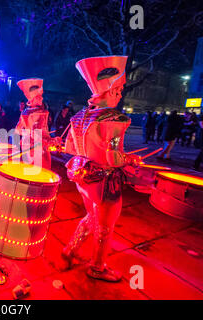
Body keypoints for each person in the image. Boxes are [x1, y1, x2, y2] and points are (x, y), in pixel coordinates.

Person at [61, 56, 140, 282]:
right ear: (109, 89)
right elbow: (113, 158)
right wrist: (130, 159)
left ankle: (70, 249)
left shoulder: (78, 117)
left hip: (83, 178)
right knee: (105, 226)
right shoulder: (115, 119)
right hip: (106, 182)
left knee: (91, 216)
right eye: (119, 88)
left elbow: (69, 147)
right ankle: (97, 266)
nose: (121, 93)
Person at [15, 78, 61, 170]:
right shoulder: (40, 113)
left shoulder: (25, 112)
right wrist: (53, 141)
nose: (42, 98)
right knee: (42, 174)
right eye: (40, 96)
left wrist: (26, 135)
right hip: (38, 150)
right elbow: (38, 137)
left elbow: (18, 130)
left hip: (26, 147)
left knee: (29, 174)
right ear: (34, 98)